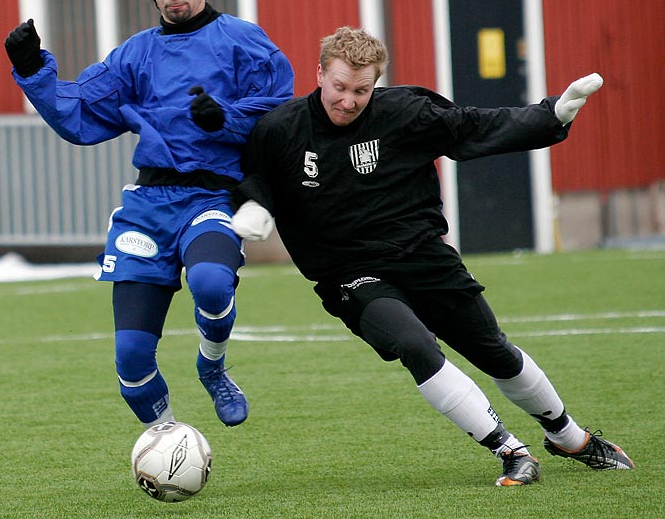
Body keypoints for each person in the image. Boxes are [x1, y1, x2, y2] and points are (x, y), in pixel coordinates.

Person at [230, 26, 634, 485]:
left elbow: (473, 125)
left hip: (423, 256)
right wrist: (254, 206)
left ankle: (568, 436)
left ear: (376, 84)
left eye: (361, 91)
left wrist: (551, 116)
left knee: (495, 353)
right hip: (349, 273)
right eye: (339, 87)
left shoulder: (406, 111)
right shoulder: (280, 130)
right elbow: (253, 175)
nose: (347, 101)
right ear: (319, 73)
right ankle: (510, 450)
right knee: (415, 344)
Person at [4, 0, 294, 429]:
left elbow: (280, 115)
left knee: (209, 281)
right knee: (132, 361)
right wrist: (33, 70)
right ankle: (169, 441)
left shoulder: (243, 41)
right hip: (149, 204)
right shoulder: (134, 54)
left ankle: (213, 366)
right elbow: (80, 115)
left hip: (213, 196)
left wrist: (223, 116)